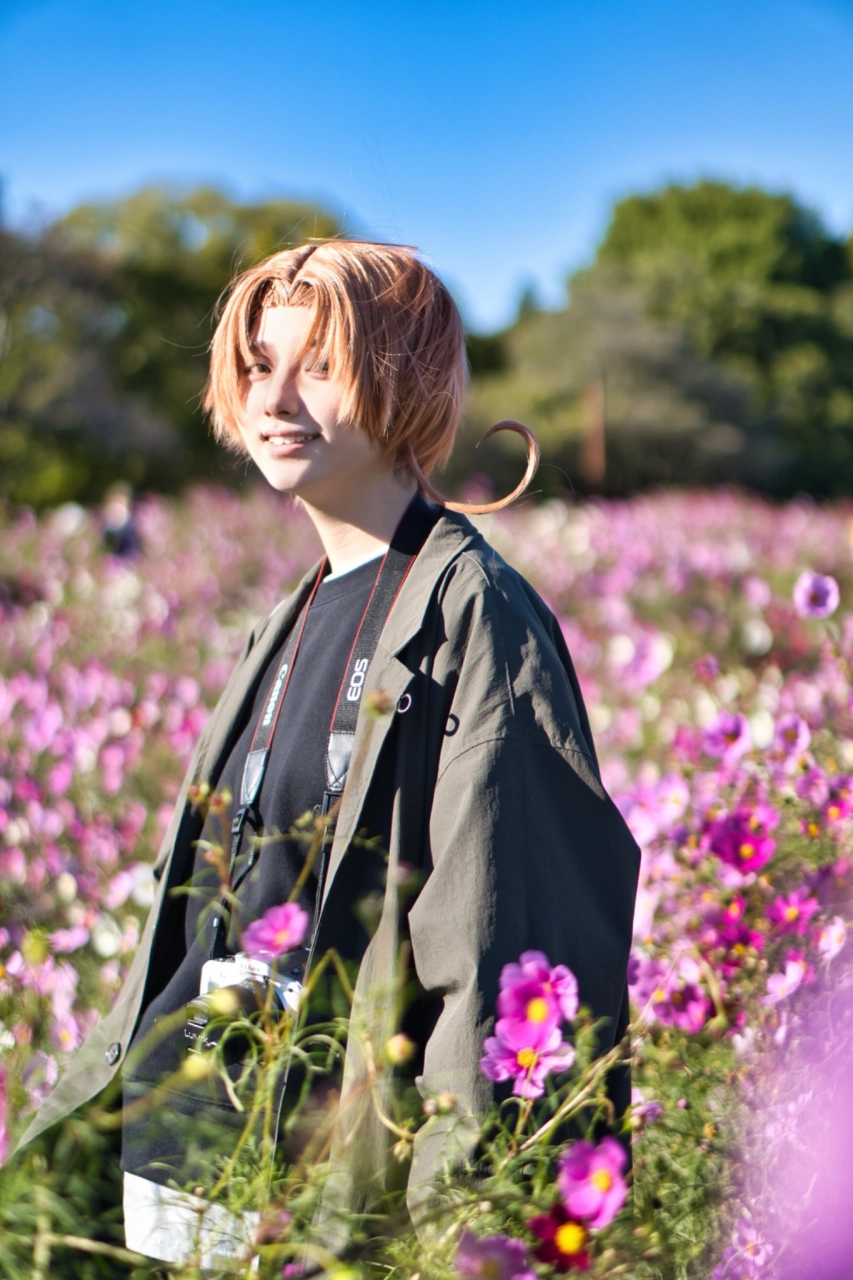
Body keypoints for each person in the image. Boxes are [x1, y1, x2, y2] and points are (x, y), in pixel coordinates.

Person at [16, 241, 640, 1266]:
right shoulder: (288, 615)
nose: (275, 398)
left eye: (318, 365)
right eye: (258, 364)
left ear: (405, 379)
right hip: (180, 1161)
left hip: (318, 1196)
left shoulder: (474, 617)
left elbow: (504, 954)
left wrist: (467, 1235)